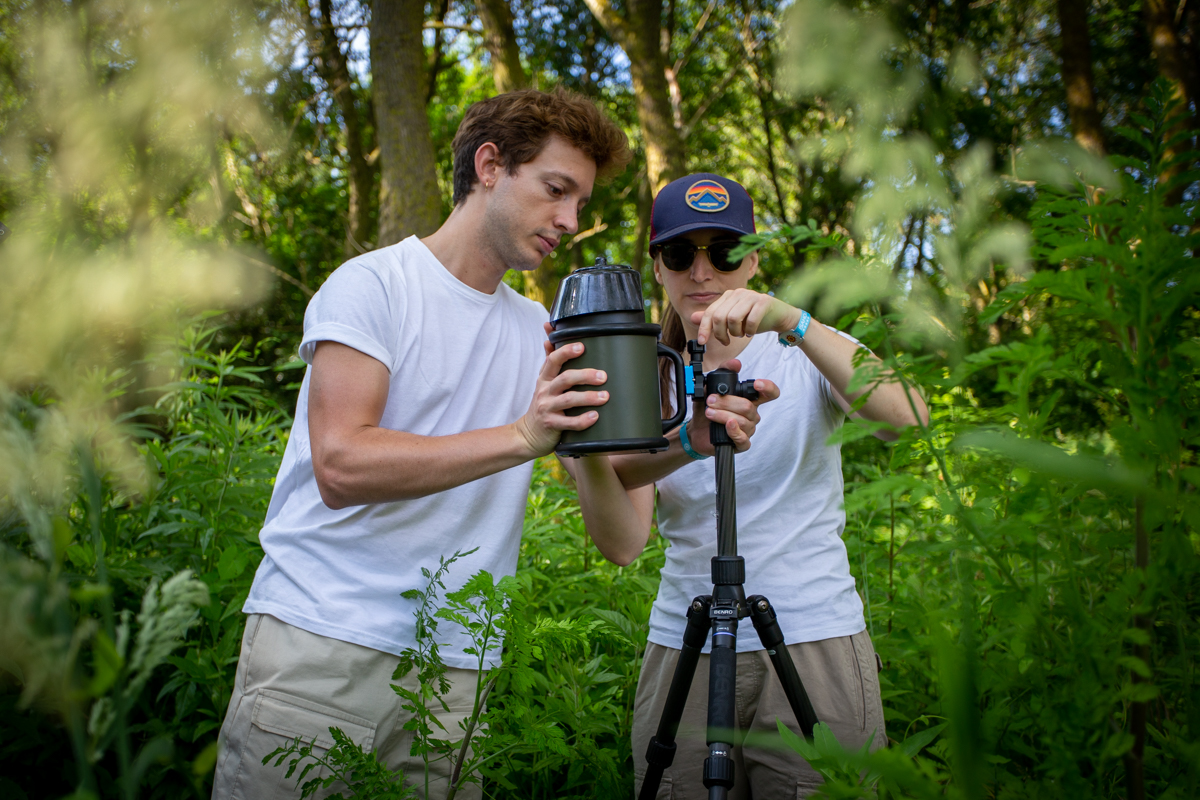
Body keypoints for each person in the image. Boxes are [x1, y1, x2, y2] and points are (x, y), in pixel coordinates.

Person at [210, 88, 637, 800]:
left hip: (456, 675)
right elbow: (341, 463)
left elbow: (615, 520)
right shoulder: (373, 287)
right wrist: (523, 435)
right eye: (556, 190)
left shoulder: (541, 328)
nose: (569, 222)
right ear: (491, 164)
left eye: (580, 205)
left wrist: (685, 434)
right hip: (325, 646)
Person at [572, 173, 930, 798]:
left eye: (727, 252)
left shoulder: (804, 349)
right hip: (685, 634)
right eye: (681, 254)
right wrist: (618, 445)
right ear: (657, 267)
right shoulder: (644, 372)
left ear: (756, 259)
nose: (703, 273)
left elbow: (910, 419)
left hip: (811, 629)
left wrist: (792, 321)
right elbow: (624, 542)